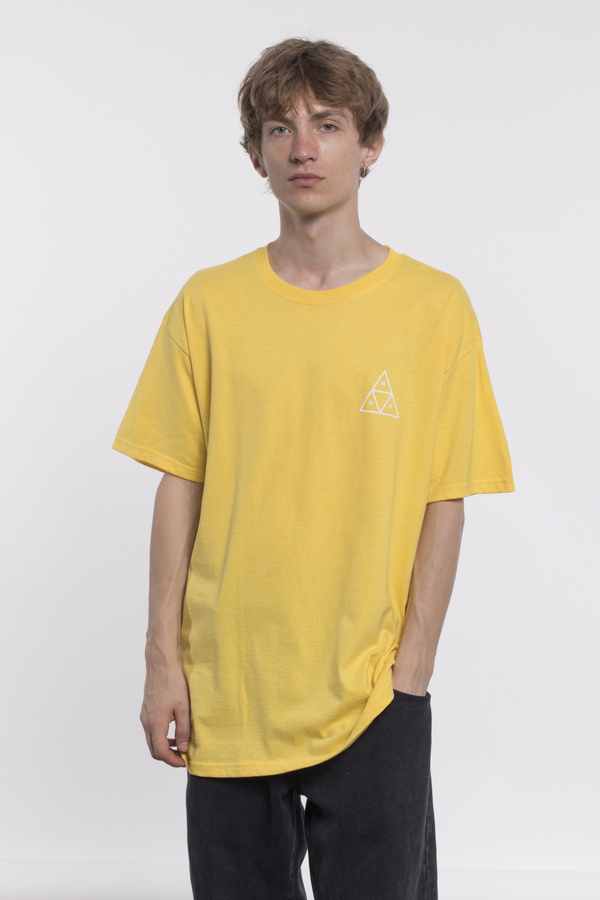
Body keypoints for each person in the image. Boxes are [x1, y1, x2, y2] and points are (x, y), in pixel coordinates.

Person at [113, 37, 514, 900]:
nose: (302, 147)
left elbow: (446, 495)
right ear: (254, 155)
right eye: (278, 128)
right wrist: (162, 662)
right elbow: (179, 485)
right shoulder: (208, 304)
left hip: (373, 693)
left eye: (327, 125)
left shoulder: (434, 308)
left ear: (370, 145)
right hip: (230, 685)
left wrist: (412, 672)